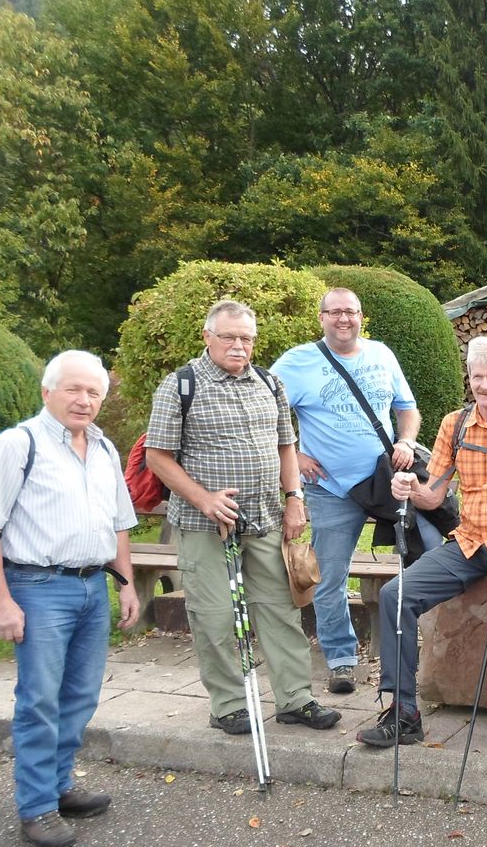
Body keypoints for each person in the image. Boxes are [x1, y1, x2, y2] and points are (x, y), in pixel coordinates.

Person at [0, 351, 140, 847]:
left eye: (94, 392)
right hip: (38, 588)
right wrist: (0, 602)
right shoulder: (16, 445)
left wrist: (126, 584)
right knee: (40, 699)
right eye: (73, 389)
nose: (84, 400)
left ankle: (60, 784)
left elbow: (120, 525)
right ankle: (37, 805)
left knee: (81, 696)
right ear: (48, 392)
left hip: (92, 587)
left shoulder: (105, 449)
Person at [357, 337, 487, 748]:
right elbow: (432, 495)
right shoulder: (454, 424)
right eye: (477, 376)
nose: (484, 385)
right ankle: (404, 712)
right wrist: (406, 487)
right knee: (395, 596)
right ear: (468, 378)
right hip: (469, 541)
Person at [144, 300, 341, 737]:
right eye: (229, 336)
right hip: (205, 525)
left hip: (266, 518)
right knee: (214, 616)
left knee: (281, 612)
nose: (239, 346)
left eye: (246, 338)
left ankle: (295, 699)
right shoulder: (180, 385)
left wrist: (294, 499)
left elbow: (285, 446)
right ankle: (229, 705)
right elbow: (156, 456)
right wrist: (204, 499)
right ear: (207, 336)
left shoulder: (269, 383)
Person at [271, 287, 435, 695]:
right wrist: (294, 458)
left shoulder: (381, 353)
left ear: (361, 317)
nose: (343, 319)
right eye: (334, 312)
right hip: (331, 489)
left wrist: (406, 442)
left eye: (351, 312)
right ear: (321, 317)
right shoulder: (296, 362)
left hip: (388, 482)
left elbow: (407, 408)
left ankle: (429, 650)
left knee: (430, 556)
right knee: (329, 577)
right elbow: (264, 412)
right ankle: (341, 660)